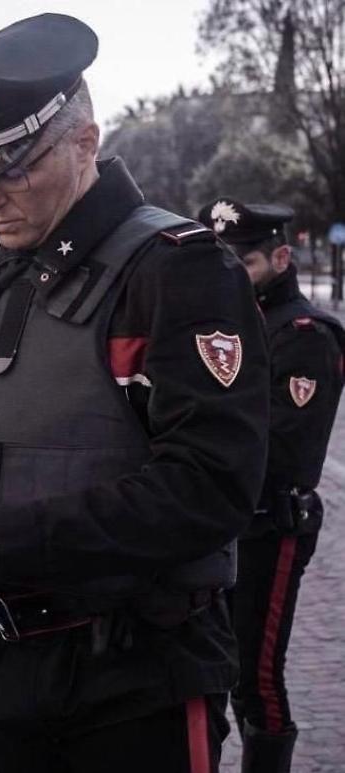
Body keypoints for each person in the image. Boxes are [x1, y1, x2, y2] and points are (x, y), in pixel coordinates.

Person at [0, 13, 270, 773]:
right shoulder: (9, 273)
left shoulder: (176, 272)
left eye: (14, 169)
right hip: (12, 682)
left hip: (135, 686)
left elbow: (209, 488)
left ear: (85, 143)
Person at [197, 199, 345, 773]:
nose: (233, 272)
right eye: (225, 260)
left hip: (270, 525)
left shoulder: (306, 335)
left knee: (256, 677)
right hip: (219, 525)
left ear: (282, 257)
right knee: (208, 665)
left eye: (248, 261)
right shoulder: (226, 323)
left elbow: (285, 450)